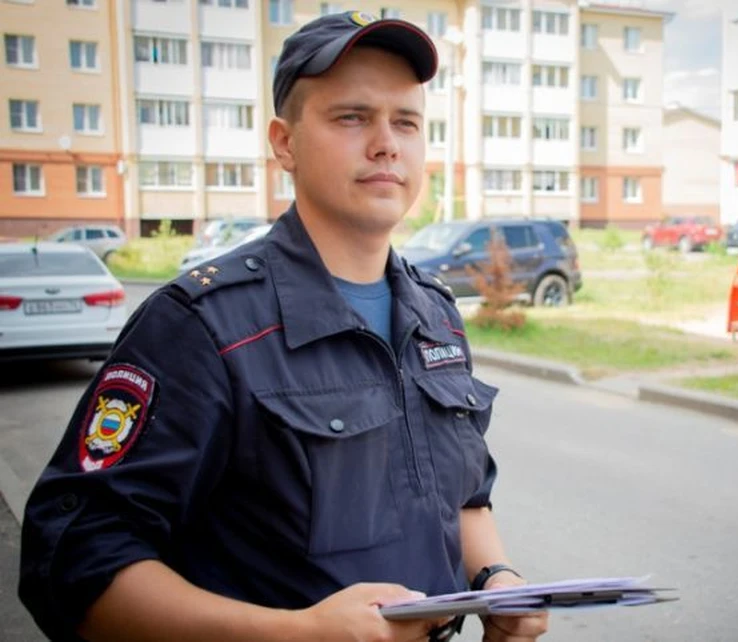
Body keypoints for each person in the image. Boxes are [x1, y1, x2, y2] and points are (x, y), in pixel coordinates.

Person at [19, 11, 548, 642]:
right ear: (284, 142)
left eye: (405, 121)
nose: (387, 143)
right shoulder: (202, 325)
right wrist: (298, 632)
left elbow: (463, 496)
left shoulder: (434, 315)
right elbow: (76, 561)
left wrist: (497, 580)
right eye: (352, 117)